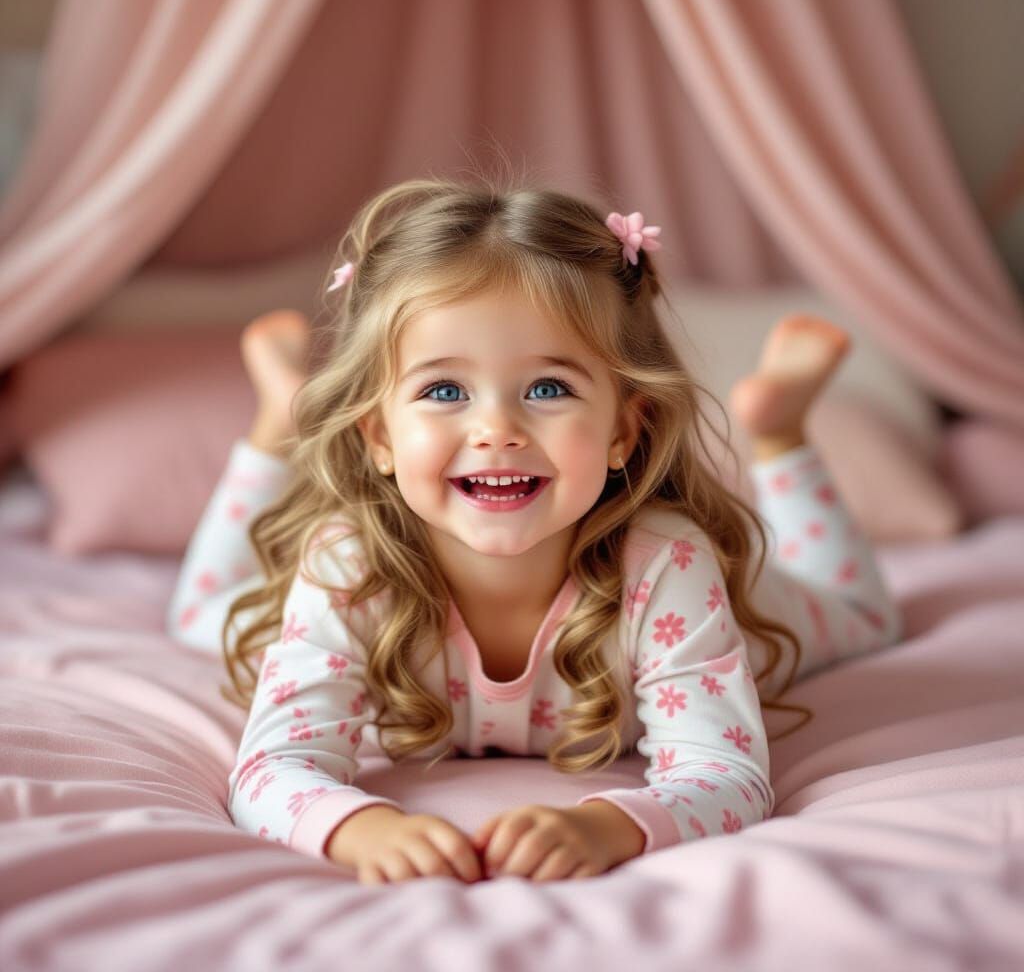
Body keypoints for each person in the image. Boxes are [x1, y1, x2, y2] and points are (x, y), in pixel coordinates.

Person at [166, 175, 903, 886]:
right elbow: (271, 767)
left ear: (623, 429)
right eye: (443, 390)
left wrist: (607, 826)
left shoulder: (668, 562)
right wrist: (360, 827)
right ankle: (275, 423)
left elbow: (724, 773)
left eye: (548, 388)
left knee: (869, 616)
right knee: (206, 618)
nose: (496, 429)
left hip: (731, 603)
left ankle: (778, 434)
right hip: (361, 550)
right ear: (378, 437)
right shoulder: (352, 566)